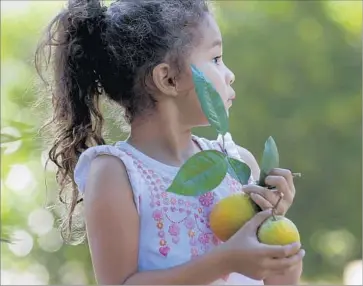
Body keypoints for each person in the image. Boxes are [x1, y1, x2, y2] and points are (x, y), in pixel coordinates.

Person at [35, 0, 305, 284]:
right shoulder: (117, 175)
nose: (230, 74)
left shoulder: (238, 164)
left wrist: (274, 230)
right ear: (168, 79)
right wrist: (223, 261)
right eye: (215, 59)